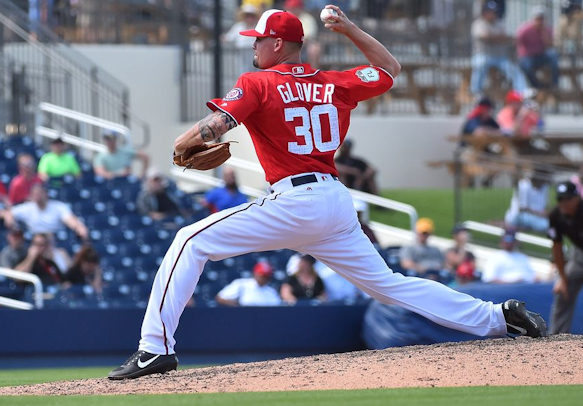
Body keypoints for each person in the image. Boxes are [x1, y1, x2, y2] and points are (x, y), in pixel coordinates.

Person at [108, 7, 546, 381]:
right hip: (335, 202)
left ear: (278, 44)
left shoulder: (259, 83)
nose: (253, 47)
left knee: (189, 240)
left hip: (295, 201)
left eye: (259, 39)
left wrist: (181, 144)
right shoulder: (335, 83)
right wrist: (349, 28)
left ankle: (154, 348)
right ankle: (497, 316)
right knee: (390, 285)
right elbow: (391, 69)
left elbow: (214, 128)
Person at [547, 181, 583, 334]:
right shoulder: (556, 215)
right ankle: (556, 343)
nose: (564, 203)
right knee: (563, 291)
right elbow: (557, 247)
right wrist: (562, 278)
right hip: (579, 254)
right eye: (560, 199)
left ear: (577, 198)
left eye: (567, 199)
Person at [470, 2, 528, 97]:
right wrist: (499, 38)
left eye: (494, 12)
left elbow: (508, 39)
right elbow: (485, 38)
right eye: (490, 12)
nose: (493, 14)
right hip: (483, 55)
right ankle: (476, 92)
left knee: (513, 69)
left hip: (499, 57)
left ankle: (522, 92)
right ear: (485, 13)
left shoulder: (500, 23)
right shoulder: (478, 24)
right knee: (480, 66)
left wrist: (497, 38)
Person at [2, 184, 88, 240]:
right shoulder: (27, 207)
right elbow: (8, 212)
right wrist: (9, 218)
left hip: (55, 240)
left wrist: (79, 227)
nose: (37, 196)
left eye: (39, 193)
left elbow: (70, 220)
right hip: (35, 240)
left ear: (46, 194)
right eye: (34, 194)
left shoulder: (59, 207)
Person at [516, 7, 560, 91]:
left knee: (554, 56)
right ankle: (536, 85)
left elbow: (550, 45)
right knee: (526, 65)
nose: (540, 21)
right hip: (528, 56)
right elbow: (517, 42)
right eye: (538, 19)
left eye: (541, 19)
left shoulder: (547, 29)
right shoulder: (525, 29)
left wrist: (543, 33)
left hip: (541, 55)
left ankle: (555, 84)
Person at [215, 261, 281, 307]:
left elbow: (277, 306)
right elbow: (220, 298)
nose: (264, 278)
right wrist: (239, 306)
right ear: (255, 274)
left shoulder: (271, 291)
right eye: (262, 275)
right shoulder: (241, 284)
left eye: (266, 276)